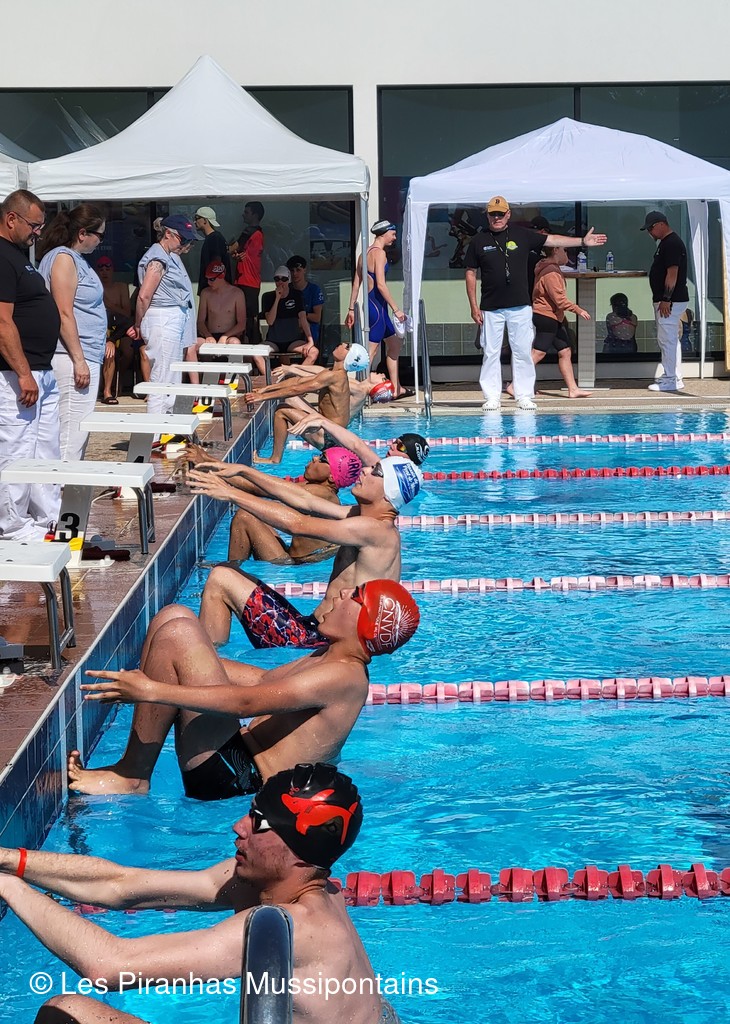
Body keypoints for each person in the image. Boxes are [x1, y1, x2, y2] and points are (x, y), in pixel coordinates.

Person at [0, 764, 403, 1024]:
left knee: (65, 1012)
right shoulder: (295, 882)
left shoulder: (293, 927)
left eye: (259, 823)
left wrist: (7, 886)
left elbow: (109, 966)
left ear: (298, 849)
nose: (238, 826)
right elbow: (121, 885)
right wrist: (8, 861)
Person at [68, 582, 419, 798]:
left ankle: (132, 776)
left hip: (238, 778)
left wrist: (152, 690)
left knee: (178, 635)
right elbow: (262, 684)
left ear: (367, 624)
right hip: (235, 753)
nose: (342, 593)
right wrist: (186, 665)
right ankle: (131, 769)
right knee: (173, 617)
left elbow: (247, 703)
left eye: (355, 596)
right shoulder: (328, 657)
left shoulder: (345, 676)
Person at [188, 455, 422, 649]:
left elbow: (297, 524)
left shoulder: (373, 530)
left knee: (221, 578)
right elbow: (305, 500)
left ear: (388, 494)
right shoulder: (366, 519)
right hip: (311, 629)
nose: (365, 469)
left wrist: (231, 493)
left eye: (376, 472)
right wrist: (244, 471)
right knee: (225, 574)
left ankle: (206, 667)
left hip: (317, 643)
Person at [465, 195, 607, 411]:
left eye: (501, 214)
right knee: (491, 352)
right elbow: (470, 273)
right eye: (493, 214)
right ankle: (492, 396)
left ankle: (523, 394)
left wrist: (581, 242)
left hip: (520, 306)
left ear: (508, 214)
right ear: (487, 216)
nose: (497, 218)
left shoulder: (522, 235)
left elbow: (552, 240)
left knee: (522, 351)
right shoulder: (478, 241)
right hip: (491, 307)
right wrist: (473, 306)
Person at [0, 189, 62, 541]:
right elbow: (2, 321)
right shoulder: (1, 256)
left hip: (41, 369)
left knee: (45, 448)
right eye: (34, 226)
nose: (38, 233)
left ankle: (47, 519)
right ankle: (12, 527)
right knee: (17, 449)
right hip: (15, 374)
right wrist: (23, 373)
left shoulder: (18, 256)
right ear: (12, 219)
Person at [185, 443, 362, 563]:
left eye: (322, 459)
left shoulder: (321, 494)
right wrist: (208, 461)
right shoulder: (315, 488)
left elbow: (258, 488)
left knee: (245, 516)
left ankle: (230, 572)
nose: (315, 458)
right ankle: (233, 567)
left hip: (293, 566)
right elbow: (262, 485)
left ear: (332, 477)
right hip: (291, 556)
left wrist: (207, 462)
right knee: (252, 514)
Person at [37, 205, 108, 460]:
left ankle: (64, 480)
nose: (101, 241)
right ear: (82, 233)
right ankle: (63, 483)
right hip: (71, 357)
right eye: (100, 235)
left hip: (82, 354)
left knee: (74, 432)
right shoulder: (63, 259)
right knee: (71, 434)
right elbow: (63, 312)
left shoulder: (73, 259)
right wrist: (79, 360)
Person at [127, 214, 198, 417]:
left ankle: (167, 425)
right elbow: (144, 296)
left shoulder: (168, 255)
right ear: (168, 234)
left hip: (170, 319)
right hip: (163, 319)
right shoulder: (157, 258)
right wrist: (138, 324)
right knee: (162, 377)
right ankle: (156, 430)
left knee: (172, 377)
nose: (185, 244)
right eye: (183, 239)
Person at [250, 338, 353, 464]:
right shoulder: (332, 372)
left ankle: (274, 459)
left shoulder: (335, 376)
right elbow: (297, 381)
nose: (342, 344)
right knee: (290, 399)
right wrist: (266, 389)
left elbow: (297, 389)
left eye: (347, 347)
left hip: (328, 438)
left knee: (281, 412)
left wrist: (263, 397)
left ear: (350, 357)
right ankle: (285, 433)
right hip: (327, 429)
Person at [345, 220, 413, 400]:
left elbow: (356, 284)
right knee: (370, 353)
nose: (395, 237)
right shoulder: (379, 254)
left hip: (374, 307)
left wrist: (351, 308)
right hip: (378, 309)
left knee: (395, 345)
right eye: (393, 233)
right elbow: (381, 285)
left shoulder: (363, 254)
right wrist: (396, 309)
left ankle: (396, 388)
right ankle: (361, 391)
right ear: (384, 233)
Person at [527, 245, 592, 399]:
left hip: (554, 316)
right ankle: (515, 384)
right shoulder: (551, 272)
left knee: (565, 351)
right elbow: (559, 300)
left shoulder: (548, 267)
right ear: (556, 250)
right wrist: (578, 310)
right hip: (546, 316)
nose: (567, 253)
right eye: (565, 250)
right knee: (538, 353)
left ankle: (573, 389)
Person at [640, 210, 689, 392]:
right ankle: (674, 376)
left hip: (670, 300)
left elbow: (672, 273)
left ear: (661, 224)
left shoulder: (671, 243)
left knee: (667, 339)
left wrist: (666, 298)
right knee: (669, 339)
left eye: (651, 228)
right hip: (670, 299)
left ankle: (671, 379)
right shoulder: (667, 243)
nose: (650, 233)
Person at [289, 412, 430, 469]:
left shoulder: (383, 469)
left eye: (401, 447)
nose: (392, 446)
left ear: (411, 459)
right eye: (395, 442)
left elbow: (357, 446)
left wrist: (323, 422)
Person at [184, 260, 248, 388]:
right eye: (207, 279)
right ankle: (195, 385)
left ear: (222, 276)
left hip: (230, 335)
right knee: (191, 345)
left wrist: (225, 336)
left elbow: (241, 324)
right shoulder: (206, 293)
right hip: (210, 334)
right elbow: (200, 321)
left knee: (235, 344)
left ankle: (231, 386)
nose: (209, 282)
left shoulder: (237, 294)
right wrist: (208, 335)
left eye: (212, 279)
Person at [96, 256, 142, 404]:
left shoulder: (121, 287)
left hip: (121, 327)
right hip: (102, 329)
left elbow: (127, 313)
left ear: (113, 270)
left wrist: (109, 305)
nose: (104, 271)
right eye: (101, 268)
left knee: (128, 352)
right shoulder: (95, 288)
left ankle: (119, 378)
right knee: (109, 353)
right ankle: (106, 388)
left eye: (107, 267)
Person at [261, 264, 319, 364]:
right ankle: (270, 375)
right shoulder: (268, 297)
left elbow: (303, 318)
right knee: (256, 354)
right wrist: (277, 299)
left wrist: (310, 340)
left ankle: (297, 373)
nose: (280, 282)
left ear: (289, 280)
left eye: (284, 279)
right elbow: (270, 321)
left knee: (314, 352)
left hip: (293, 341)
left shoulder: (296, 295)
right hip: (273, 341)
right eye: (277, 279)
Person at [232, 200, 265, 343]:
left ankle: (252, 346)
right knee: (248, 317)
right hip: (249, 281)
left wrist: (227, 249)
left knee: (247, 318)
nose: (243, 215)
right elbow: (240, 252)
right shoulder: (258, 233)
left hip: (246, 281)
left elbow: (233, 248)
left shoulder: (250, 232)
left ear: (255, 215)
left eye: (247, 212)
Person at [287, 254, 325, 343]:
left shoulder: (314, 290)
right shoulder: (286, 289)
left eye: (298, 270)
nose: (294, 274)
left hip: (310, 331)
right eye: (292, 270)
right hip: (288, 329)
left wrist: (301, 315)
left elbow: (317, 317)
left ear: (304, 270)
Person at [194, 206, 231, 293]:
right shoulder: (213, 237)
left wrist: (214, 286)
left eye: (197, 218)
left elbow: (217, 263)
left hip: (214, 290)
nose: (194, 221)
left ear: (205, 220)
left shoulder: (215, 238)